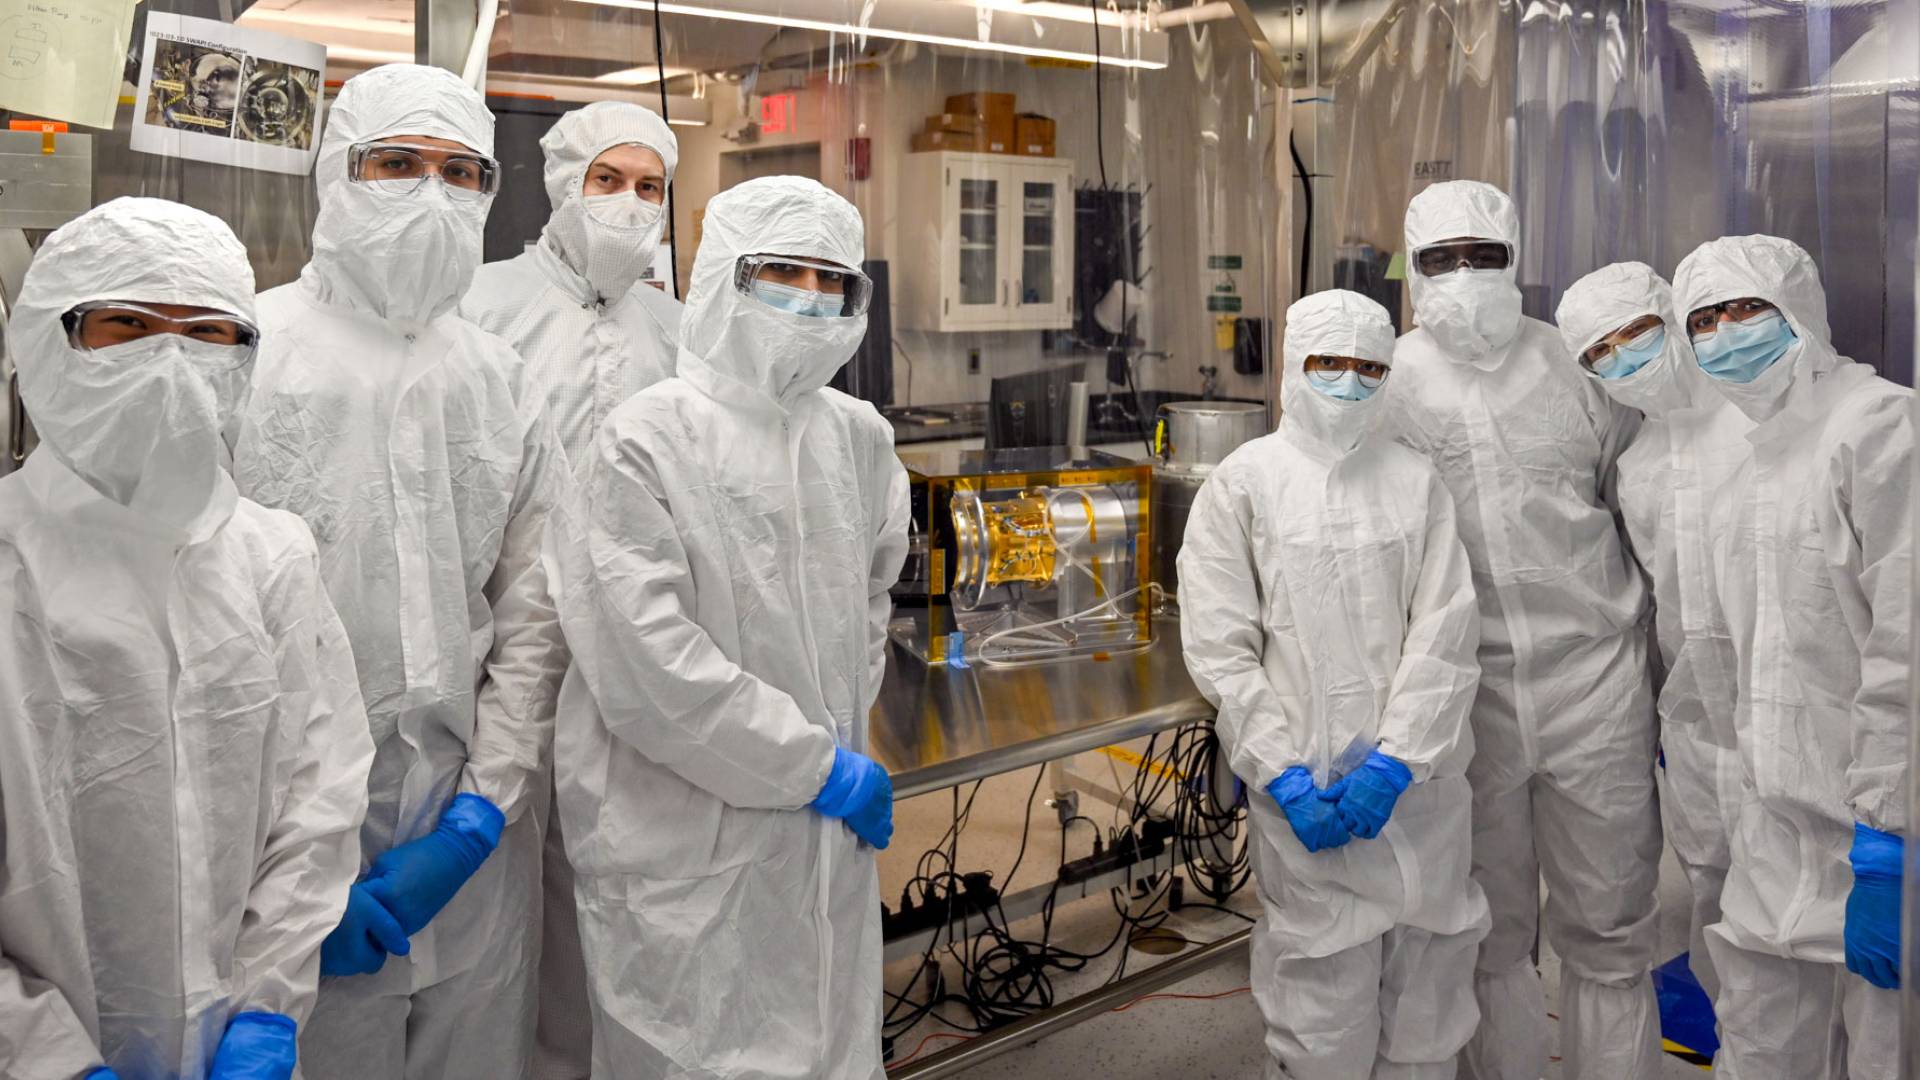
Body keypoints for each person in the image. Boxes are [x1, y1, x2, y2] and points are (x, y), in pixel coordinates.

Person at [232, 64, 570, 1077]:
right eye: (398, 164)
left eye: (462, 172)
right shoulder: (247, 352)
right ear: (339, 175)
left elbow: (536, 610)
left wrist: (480, 815)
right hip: (283, 844)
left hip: (473, 836)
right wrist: (296, 869)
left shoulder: (500, 378)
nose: (433, 193)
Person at [0, 197, 374, 1079]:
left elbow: (319, 799)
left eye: (208, 333)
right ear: (45, 341)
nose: (170, 363)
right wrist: (42, 1056)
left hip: (233, 1041)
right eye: (126, 325)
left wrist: (268, 1007)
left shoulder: (272, 556)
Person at [545, 175, 909, 1079]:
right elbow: (649, 671)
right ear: (720, 277)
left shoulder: (857, 439)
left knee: (831, 1041)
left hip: (820, 842)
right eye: (784, 271)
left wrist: (834, 749)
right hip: (684, 848)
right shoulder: (642, 441)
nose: (812, 299)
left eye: (835, 281)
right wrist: (813, 765)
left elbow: (870, 601)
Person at [1384, 180, 1663, 1079]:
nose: (1463, 278)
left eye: (1482, 257)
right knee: (1489, 922)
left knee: (1610, 922)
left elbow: (1648, 504)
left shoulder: (1575, 367)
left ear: (1515, 257)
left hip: (1596, 682)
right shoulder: (1383, 383)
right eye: (1441, 260)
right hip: (1468, 696)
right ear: (1413, 267)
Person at [1179, 289, 1491, 1079]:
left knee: (1428, 1006)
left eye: (1368, 368)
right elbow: (1222, 646)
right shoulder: (1245, 483)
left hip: (1418, 796)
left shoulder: (1415, 481)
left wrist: (1398, 760)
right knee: (1321, 1017)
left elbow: (1445, 632)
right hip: (1303, 791)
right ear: (1294, 366)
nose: (1349, 384)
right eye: (1329, 365)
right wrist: (1279, 769)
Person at [461, 97, 681, 1080]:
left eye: (649, 187)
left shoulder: (677, 330)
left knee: (627, 899)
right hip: (507, 660)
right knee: (511, 916)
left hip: (640, 664)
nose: (629, 205)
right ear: (561, 185)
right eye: (608, 181)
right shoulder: (482, 305)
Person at [1672, 234, 1911, 1079]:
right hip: (1772, 828)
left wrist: (1888, 836)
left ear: (1799, 311)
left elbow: (1906, 646)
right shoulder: (1742, 459)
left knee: (1885, 1053)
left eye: (1747, 309)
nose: (1727, 333)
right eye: (1704, 319)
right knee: (1760, 1046)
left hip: (1883, 832)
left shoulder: (1879, 423)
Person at [1554, 263, 1754, 1005]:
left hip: (1801, 727)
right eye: (1599, 354)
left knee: (1826, 947)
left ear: (1674, 318)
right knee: (1722, 917)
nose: (1623, 358)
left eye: (1637, 332)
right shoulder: (1638, 467)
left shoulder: (1764, 423)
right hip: (1702, 735)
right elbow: (1660, 600)